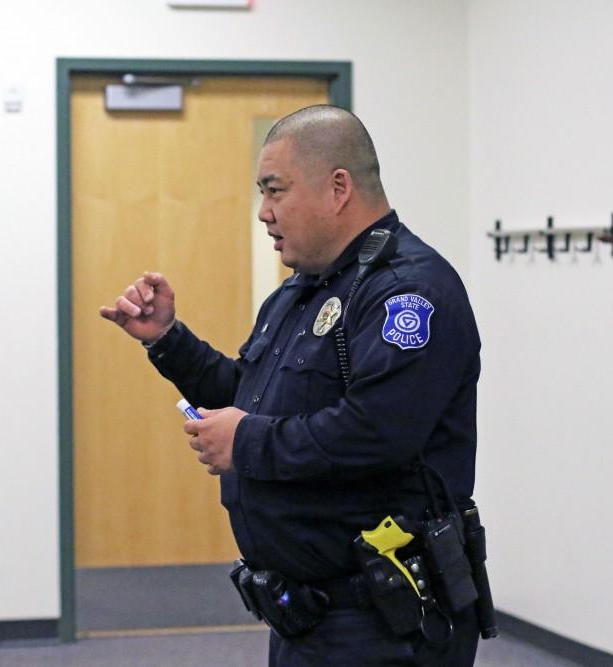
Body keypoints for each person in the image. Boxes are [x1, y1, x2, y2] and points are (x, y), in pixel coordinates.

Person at [99, 105, 482, 666]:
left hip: (386, 622)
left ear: (338, 188)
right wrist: (168, 340)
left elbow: (377, 432)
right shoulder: (301, 292)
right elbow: (251, 396)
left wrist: (245, 442)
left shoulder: (407, 292)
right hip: (309, 616)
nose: (263, 213)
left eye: (274, 191)